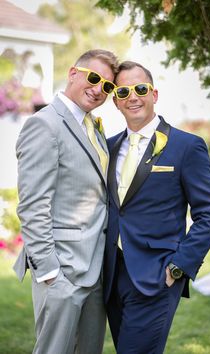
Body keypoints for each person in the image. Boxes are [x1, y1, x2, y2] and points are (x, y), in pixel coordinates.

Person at [104, 61, 210, 354]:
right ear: (116, 101)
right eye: (123, 91)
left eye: (140, 88)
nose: (133, 96)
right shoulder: (107, 147)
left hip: (156, 275)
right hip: (109, 276)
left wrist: (178, 267)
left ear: (154, 94)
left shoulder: (186, 146)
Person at [13, 49, 119, 354]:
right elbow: (33, 205)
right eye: (94, 78)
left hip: (94, 269)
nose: (99, 89)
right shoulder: (45, 124)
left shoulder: (93, 126)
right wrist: (49, 273)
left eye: (108, 86)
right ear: (73, 73)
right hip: (62, 272)